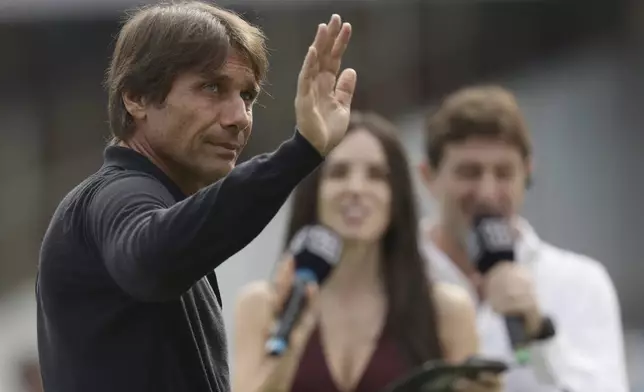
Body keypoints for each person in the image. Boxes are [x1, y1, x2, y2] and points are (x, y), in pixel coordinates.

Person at [36, 1, 357, 391]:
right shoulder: (117, 194)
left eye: (248, 96)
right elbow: (152, 260)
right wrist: (299, 152)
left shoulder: (166, 204)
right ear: (135, 97)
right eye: (212, 87)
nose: (239, 116)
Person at [232, 111, 503, 392]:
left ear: (396, 197)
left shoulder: (446, 310)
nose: (356, 188)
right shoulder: (262, 306)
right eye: (339, 173)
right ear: (314, 191)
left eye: (376, 175)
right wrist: (293, 342)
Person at [418, 85, 629, 391]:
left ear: (527, 173)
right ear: (428, 177)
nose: (487, 193)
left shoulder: (580, 284)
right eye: (469, 173)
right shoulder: (394, 275)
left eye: (503, 173)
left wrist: (541, 334)